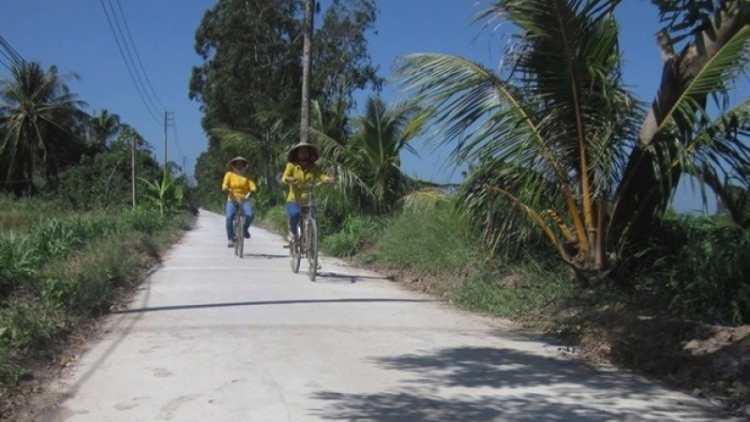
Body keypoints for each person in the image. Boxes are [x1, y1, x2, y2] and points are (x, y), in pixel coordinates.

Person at [282, 142, 335, 242]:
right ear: (297, 153)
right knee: (294, 214)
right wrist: (289, 179)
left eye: (306, 152)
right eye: (301, 152)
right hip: (293, 199)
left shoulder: (313, 167)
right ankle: (293, 232)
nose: (304, 154)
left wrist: (328, 179)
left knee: (314, 215)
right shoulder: (291, 165)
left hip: (307, 199)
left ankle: (311, 238)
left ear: (309, 154)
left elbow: (321, 175)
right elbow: (284, 177)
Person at [222, 156, 257, 248]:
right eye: (237, 164)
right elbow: (224, 184)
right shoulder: (229, 174)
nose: (239, 166)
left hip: (244, 199)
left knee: (250, 215)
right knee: (229, 217)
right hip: (232, 199)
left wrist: (253, 189)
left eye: (241, 164)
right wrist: (226, 188)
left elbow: (252, 185)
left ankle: (244, 229)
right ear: (234, 165)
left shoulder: (247, 177)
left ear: (244, 166)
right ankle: (230, 238)